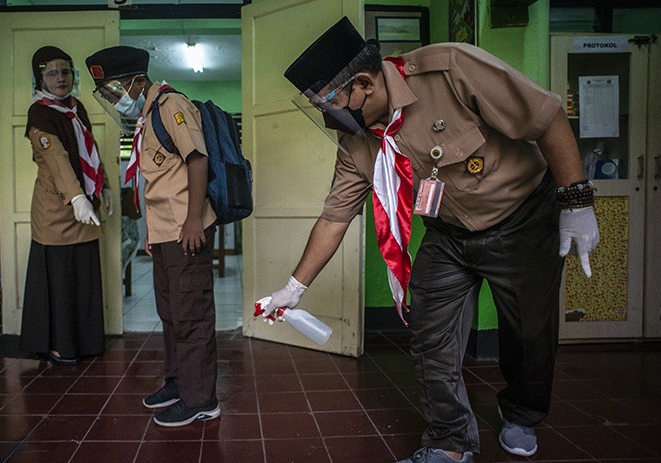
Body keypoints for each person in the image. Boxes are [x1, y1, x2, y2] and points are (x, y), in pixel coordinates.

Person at [263, 17, 600, 463]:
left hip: (522, 217)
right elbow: (335, 215)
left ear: (364, 82)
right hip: (448, 232)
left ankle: (521, 412)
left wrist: (575, 201)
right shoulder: (356, 140)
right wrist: (294, 287)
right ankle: (450, 442)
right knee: (430, 336)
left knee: (528, 330)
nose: (329, 115)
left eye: (330, 102)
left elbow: (546, 115)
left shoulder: (450, 69)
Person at [85, 45, 221, 427]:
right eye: (106, 93)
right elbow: (155, 181)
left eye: (114, 89)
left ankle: (201, 400)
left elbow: (197, 158)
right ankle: (179, 383)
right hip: (164, 231)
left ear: (135, 80)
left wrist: (194, 219)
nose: (113, 98)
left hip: (185, 229)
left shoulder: (170, 106)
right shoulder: (147, 116)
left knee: (191, 314)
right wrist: (150, 231)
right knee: (171, 312)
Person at [19, 46, 114, 366]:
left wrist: (106, 188)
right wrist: (77, 198)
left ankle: (86, 342)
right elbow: (56, 158)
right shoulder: (41, 114)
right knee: (59, 283)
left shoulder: (76, 107)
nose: (60, 78)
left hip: (85, 205)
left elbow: (91, 149)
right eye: (52, 72)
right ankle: (59, 345)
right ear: (39, 78)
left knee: (84, 278)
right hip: (57, 210)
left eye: (66, 71)